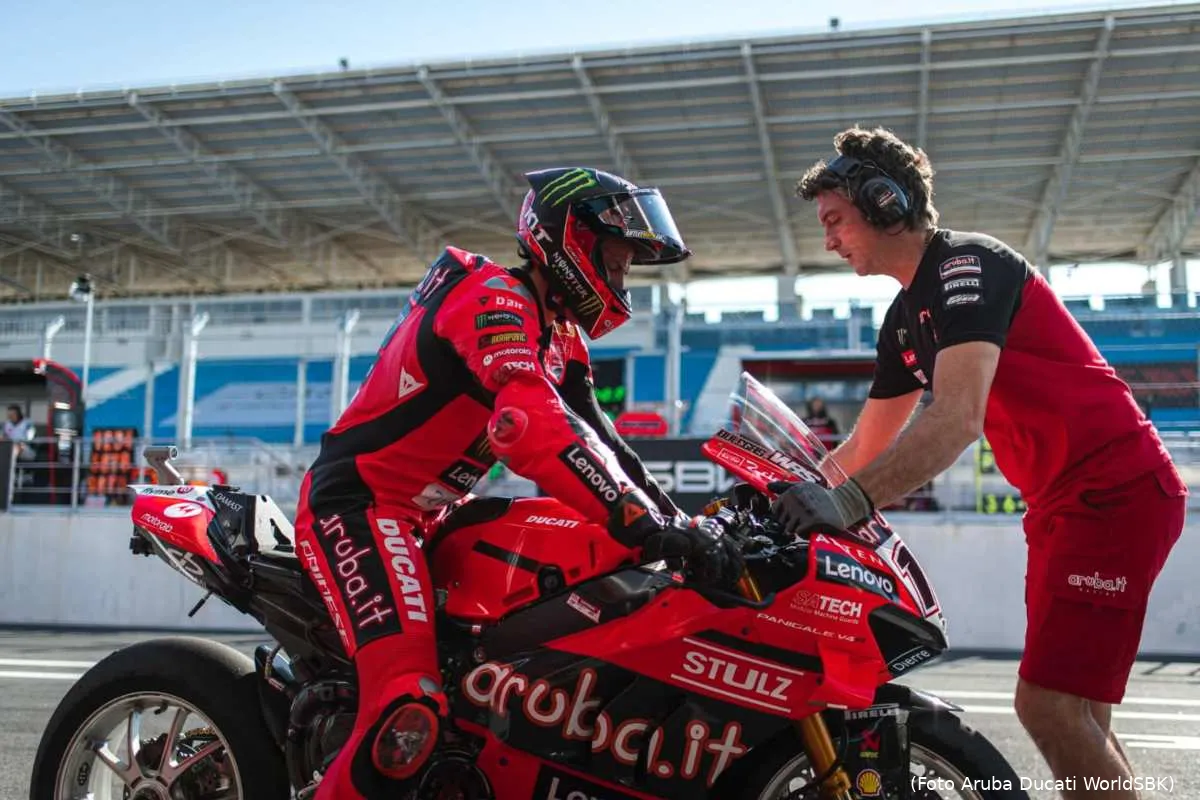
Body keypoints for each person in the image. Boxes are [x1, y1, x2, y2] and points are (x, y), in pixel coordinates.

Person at [293, 166, 742, 799]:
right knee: (408, 706)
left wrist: (679, 525)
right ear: (571, 241)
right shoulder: (493, 296)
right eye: (616, 263)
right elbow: (529, 426)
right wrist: (641, 522)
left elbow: (606, 445)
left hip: (440, 514)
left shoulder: (562, 335)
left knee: (604, 558)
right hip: (363, 507)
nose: (620, 282)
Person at [774, 126, 1186, 799]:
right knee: (1077, 714)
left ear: (884, 202)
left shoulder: (968, 266)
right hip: (1065, 504)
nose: (828, 241)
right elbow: (866, 446)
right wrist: (779, 494)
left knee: (1046, 706)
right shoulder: (903, 320)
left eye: (835, 220)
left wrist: (842, 504)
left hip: (1114, 493)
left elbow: (956, 419)